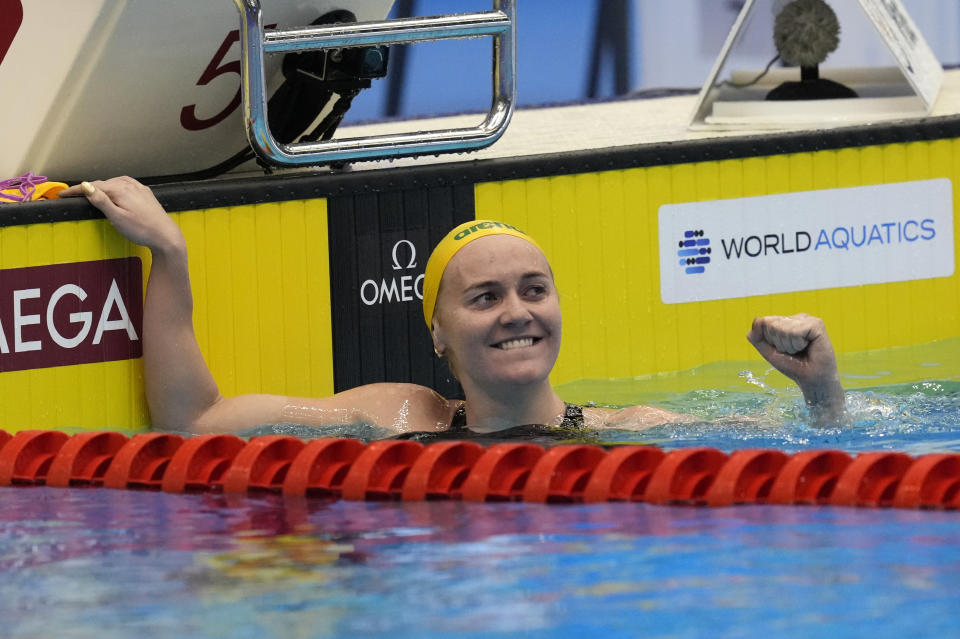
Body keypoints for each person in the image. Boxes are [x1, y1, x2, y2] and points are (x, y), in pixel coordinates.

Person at [60, 177, 845, 435]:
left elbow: (817, 452)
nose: (516, 311)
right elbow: (192, 423)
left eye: (534, 290)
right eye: (485, 296)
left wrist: (821, 391)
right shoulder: (397, 415)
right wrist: (170, 254)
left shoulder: (627, 431)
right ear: (437, 332)